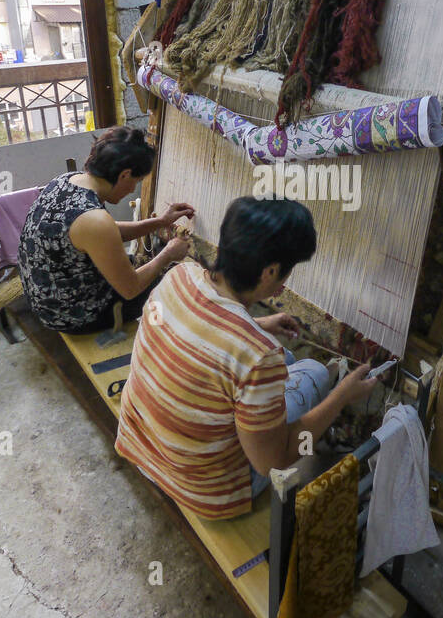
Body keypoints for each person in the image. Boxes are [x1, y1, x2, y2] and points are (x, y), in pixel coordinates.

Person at [114, 197, 381, 520]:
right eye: (288, 270)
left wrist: (259, 325)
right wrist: (342, 397)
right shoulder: (257, 355)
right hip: (205, 492)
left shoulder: (180, 276)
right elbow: (273, 462)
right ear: (270, 271)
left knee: (283, 357)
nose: (286, 280)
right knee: (313, 372)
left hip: (142, 448)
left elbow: (204, 329)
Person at [17, 125, 194, 334]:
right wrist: (168, 255)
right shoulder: (95, 221)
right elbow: (130, 289)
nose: (131, 190)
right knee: (171, 282)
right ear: (125, 175)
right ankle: (161, 345)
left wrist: (160, 222)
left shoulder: (65, 181)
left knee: (139, 264)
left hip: (45, 300)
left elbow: (103, 233)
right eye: (136, 181)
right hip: (70, 316)